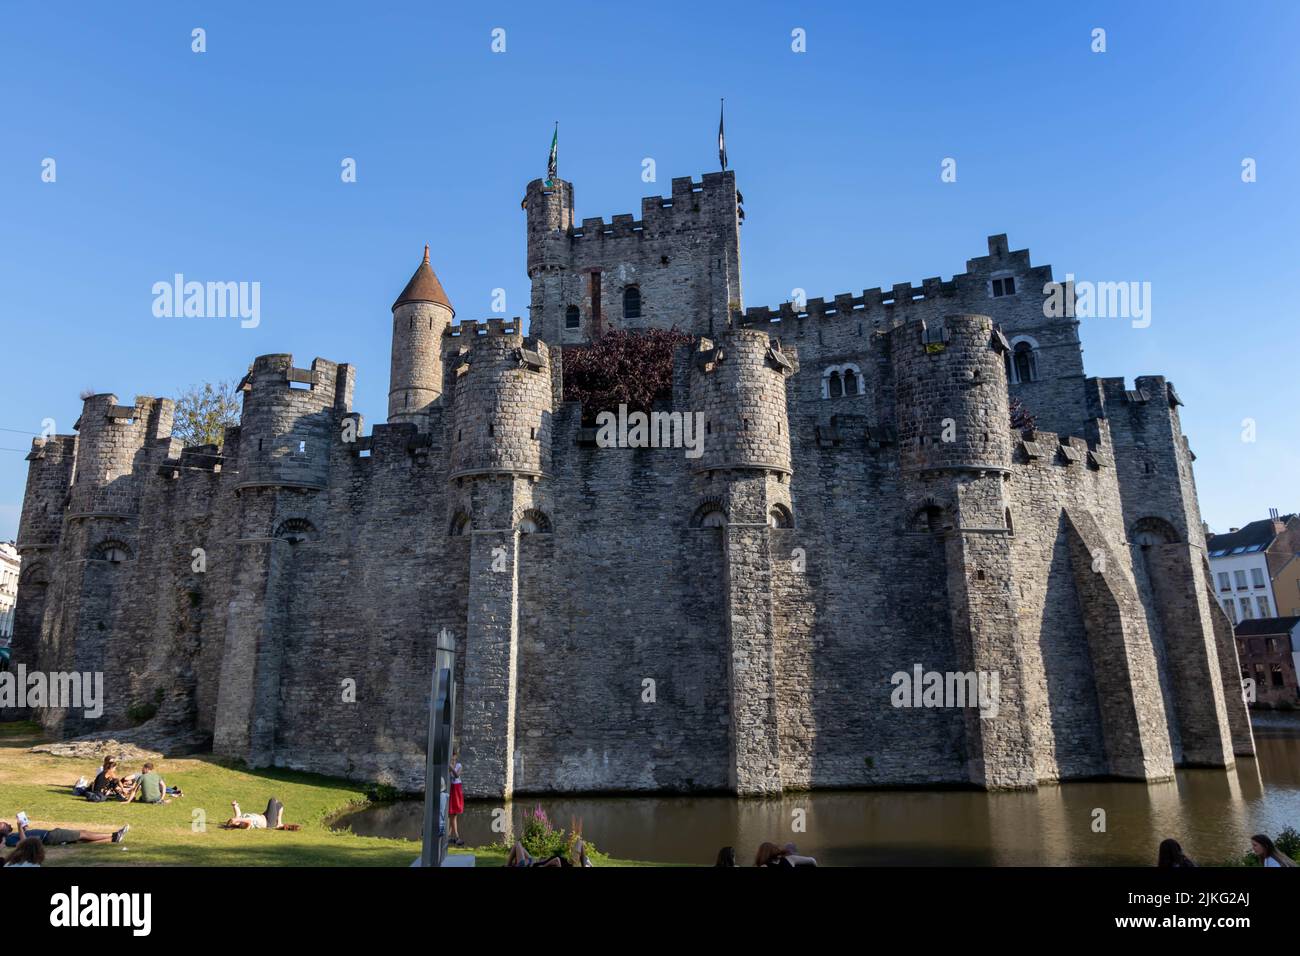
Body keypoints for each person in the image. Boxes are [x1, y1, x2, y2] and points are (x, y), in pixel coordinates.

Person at [0, 817, 128, 848]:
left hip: (48, 837)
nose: (6, 823)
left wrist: (25, 826)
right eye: (3, 824)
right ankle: (114, 834)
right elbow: (24, 843)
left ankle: (114, 839)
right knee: (82, 833)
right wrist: (18, 826)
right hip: (49, 836)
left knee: (81, 840)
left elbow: (27, 836)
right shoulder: (9, 840)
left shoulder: (11, 836)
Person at [222, 798, 299, 830]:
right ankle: (279, 824)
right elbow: (248, 822)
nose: (235, 819)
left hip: (265, 817)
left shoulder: (239, 819)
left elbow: (238, 813)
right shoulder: (243, 825)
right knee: (273, 800)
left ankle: (279, 823)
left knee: (279, 805)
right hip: (268, 822)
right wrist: (237, 820)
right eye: (234, 822)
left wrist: (234, 806)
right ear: (235, 824)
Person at [448, 750, 464, 847]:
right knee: (452, 813)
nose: (453, 760)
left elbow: (457, 775)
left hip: (457, 788)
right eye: (451, 758)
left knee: (454, 813)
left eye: (454, 758)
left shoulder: (459, 765)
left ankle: (450, 835)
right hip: (451, 788)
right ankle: (455, 836)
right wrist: (449, 767)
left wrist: (451, 768)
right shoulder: (448, 765)